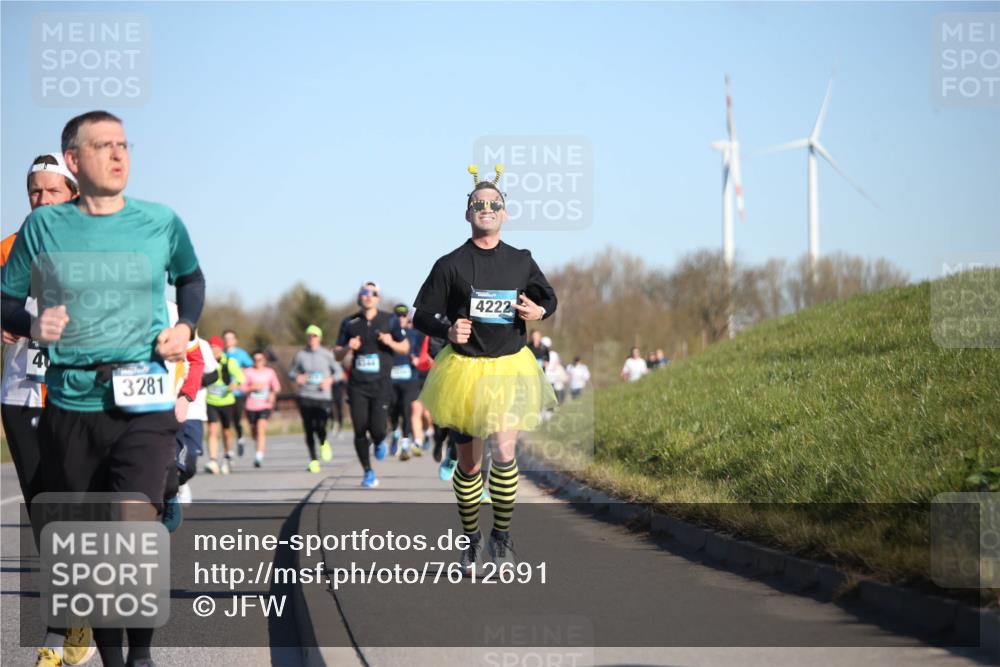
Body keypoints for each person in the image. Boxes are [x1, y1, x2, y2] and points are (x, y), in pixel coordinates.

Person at [1, 110, 205, 667]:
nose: (117, 155)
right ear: (75, 159)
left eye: (123, 145)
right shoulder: (40, 231)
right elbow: (6, 298)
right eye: (102, 146)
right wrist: (30, 322)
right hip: (70, 402)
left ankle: (142, 656)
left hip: (142, 397)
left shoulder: (159, 221)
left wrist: (186, 326)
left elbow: (191, 277)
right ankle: (110, 655)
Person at [413, 164, 557, 574]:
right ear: (468, 213)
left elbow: (549, 298)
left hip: (510, 367)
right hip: (465, 371)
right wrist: (447, 329)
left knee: (506, 453)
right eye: (479, 204)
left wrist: (539, 311)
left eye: (494, 204)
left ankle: (502, 538)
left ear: (505, 213)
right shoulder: (450, 264)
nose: (487, 209)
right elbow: (420, 316)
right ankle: (472, 538)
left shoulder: (521, 260)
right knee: (471, 465)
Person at [1, 153, 94, 667]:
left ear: (73, 193)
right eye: (33, 191)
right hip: (19, 395)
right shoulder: (8, 249)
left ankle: (60, 632)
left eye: (51, 190)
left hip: (74, 396)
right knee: (44, 512)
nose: (40, 200)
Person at [334, 282, 408, 487]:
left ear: (378, 298)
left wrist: (390, 342)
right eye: (365, 292)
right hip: (357, 385)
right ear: (360, 296)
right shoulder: (349, 322)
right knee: (359, 429)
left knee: (378, 428)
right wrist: (348, 347)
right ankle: (368, 472)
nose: (368, 296)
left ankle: (379, 440)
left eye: (373, 293)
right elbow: (337, 354)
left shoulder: (389, 320)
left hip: (381, 384)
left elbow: (404, 347)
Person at [289, 324, 338, 472]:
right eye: (309, 336)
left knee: (321, 426)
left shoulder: (327, 354)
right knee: (308, 428)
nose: (312, 338)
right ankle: (313, 460)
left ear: (319, 338)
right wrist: (297, 377)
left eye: (314, 336)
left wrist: (329, 380)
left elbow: (339, 372)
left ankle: (323, 442)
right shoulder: (300, 355)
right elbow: (291, 372)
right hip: (306, 394)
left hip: (323, 396)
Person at [388, 304, 424, 461]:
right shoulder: (389, 334)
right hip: (391, 379)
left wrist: (418, 359)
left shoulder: (415, 334)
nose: (401, 318)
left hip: (410, 379)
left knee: (407, 410)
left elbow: (424, 352)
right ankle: (395, 433)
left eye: (404, 316)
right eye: (398, 316)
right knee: (393, 410)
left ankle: (405, 444)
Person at [205, 336, 244, 474]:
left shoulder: (229, 362)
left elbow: (240, 377)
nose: (213, 350)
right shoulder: (206, 362)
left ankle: (228, 455)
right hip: (210, 401)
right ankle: (213, 460)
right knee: (212, 430)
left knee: (227, 431)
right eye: (210, 348)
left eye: (215, 348)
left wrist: (235, 384)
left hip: (227, 401)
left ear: (221, 348)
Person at [239, 350, 281, 467]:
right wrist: (252, 388)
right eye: (255, 359)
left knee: (261, 427)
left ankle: (259, 456)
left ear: (264, 360)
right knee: (254, 431)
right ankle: (256, 444)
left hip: (265, 405)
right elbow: (242, 388)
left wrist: (272, 395)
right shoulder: (247, 372)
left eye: (260, 359)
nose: (258, 361)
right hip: (251, 406)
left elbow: (276, 387)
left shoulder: (270, 372)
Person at [222, 329, 253, 455]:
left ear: (236, 340)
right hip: (225, 393)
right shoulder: (222, 355)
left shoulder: (242, 354)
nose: (228, 341)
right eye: (226, 338)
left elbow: (251, 368)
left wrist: (241, 373)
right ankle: (228, 450)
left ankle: (240, 437)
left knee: (237, 419)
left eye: (231, 338)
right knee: (226, 422)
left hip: (238, 392)